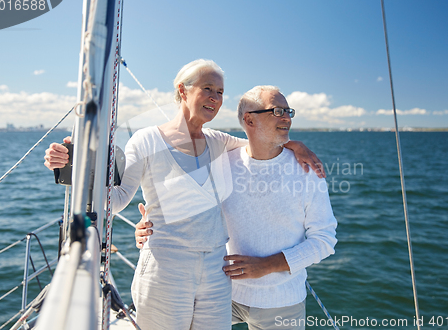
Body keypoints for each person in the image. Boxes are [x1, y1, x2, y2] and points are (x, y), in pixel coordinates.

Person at [44, 61, 325, 330]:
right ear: (182, 90)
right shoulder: (146, 139)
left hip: (216, 272)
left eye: (220, 93)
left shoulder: (219, 141)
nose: (215, 98)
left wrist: (294, 144)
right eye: (207, 89)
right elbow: (116, 200)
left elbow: (261, 144)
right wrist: (77, 167)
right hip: (166, 268)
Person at [135, 85, 337, 330]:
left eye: (288, 111)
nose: (286, 117)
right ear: (249, 119)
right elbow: (188, 206)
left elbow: (324, 240)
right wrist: (151, 227)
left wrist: (267, 265)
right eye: (277, 111)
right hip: (219, 291)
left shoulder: (306, 170)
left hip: (280, 301)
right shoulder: (221, 161)